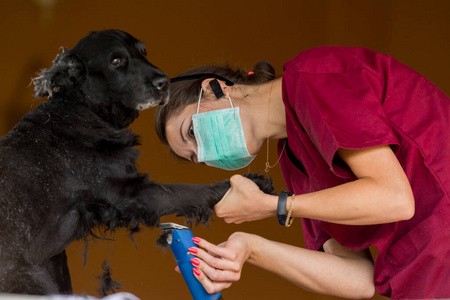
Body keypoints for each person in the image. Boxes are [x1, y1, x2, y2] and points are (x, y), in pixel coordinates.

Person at [155, 46, 450, 299]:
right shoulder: (295, 158)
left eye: (192, 132)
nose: (205, 153)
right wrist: (249, 248)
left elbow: (394, 198)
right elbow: (358, 279)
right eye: (196, 158)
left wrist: (275, 205)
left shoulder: (314, 79)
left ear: (212, 87)